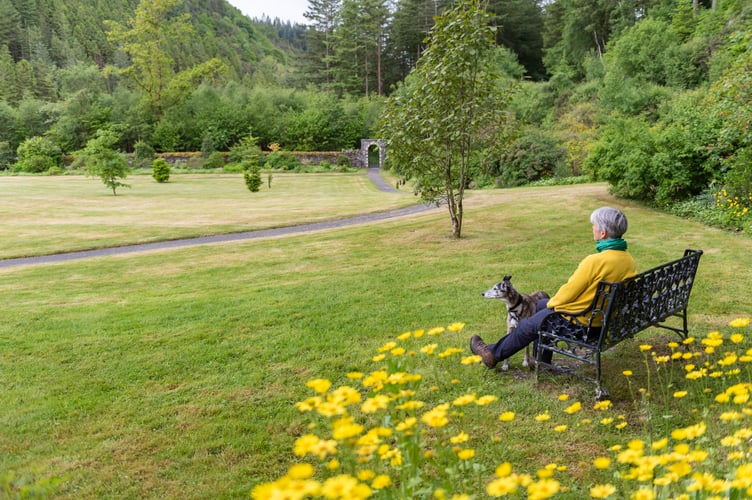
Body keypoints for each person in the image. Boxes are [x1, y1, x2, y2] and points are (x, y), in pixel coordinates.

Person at [470, 206, 637, 369]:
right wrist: (546, 305)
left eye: (594, 225)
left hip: (583, 323)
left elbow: (568, 293)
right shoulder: (626, 259)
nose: (592, 228)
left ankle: (491, 355)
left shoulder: (595, 261)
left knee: (529, 324)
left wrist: (552, 305)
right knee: (540, 305)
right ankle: (540, 360)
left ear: (603, 233)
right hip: (603, 318)